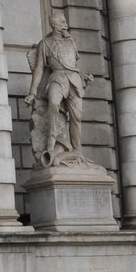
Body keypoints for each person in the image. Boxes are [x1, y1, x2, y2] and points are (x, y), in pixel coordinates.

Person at [26, 11, 94, 165]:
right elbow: (38, 69)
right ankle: (51, 142)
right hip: (56, 78)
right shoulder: (45, 43)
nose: (66, 25)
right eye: (63, 22)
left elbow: (73, 66)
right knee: (54, 103)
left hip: (74, 80)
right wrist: (32, 92)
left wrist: (85, 77)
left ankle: (77, 149)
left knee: (76, 116)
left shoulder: (71, 42)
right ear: (54, 25)